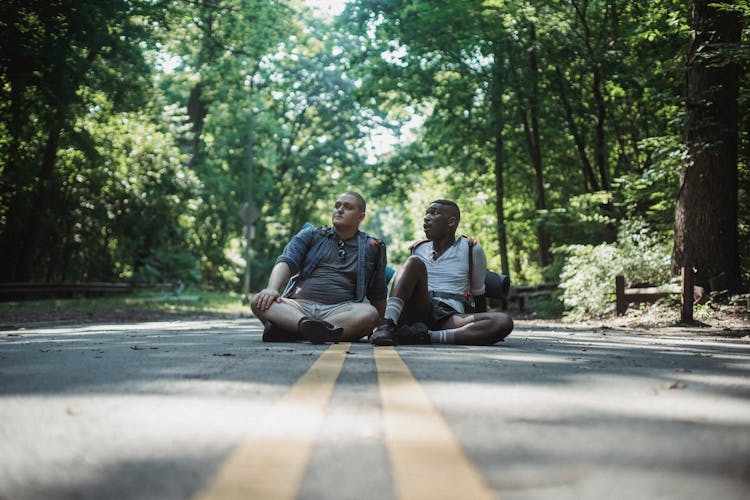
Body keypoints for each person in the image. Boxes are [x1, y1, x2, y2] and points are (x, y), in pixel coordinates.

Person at [370, 199, 513, 346]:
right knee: (413, 262)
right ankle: (388, 326)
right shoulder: (417, 248)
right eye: (426, 214)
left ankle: (426, 336)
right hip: (418, 307)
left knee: (503, 322)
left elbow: (478, 293)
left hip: (449, 315)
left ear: (451, 222)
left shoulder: (471, 248)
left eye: (434, 213)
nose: (426, 218)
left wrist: (482, 324)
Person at [251, 192, 386, 343]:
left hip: (341, 311)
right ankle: (312, 328)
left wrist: (380, 326)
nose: (339, 210)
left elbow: (378, 292)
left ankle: (293, 330)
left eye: (348, 207)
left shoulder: (372, 247)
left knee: (369, 314)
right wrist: (272, 288)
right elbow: (286, 261)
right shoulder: (311, 234)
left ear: (361, 217)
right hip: (297, 307)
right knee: (259, 301)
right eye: (337, 206)